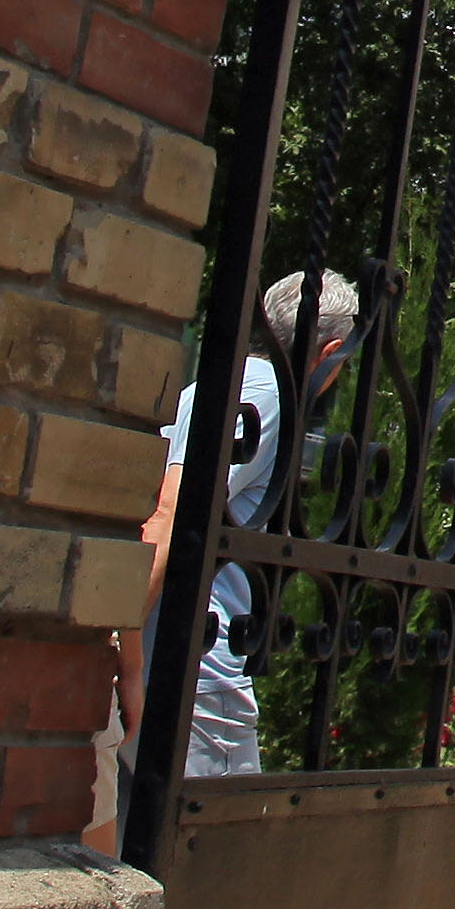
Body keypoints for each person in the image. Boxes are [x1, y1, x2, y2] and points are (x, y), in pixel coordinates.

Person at [145, 270, 363, 778]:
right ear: (329, 351)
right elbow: (174, 512)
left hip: (174, 651)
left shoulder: (228, 381)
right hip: (202, 667)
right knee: (209, 843)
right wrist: (120, 643)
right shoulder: (266, 397)